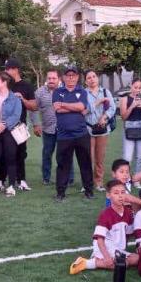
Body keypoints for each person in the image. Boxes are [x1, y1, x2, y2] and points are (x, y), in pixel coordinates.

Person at [69, 179, 139, 275]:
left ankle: (110, 260)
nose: (120, 196)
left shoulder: (128, 212)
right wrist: (106, 257)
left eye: (123, 192)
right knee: (120, 265)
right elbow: (99, 239)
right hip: (105, 246)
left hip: (117, 248)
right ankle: (86, 263)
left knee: (137, 259)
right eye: (116, 193)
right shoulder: (106, 214)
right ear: (108, 195)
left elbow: (129, 233)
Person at [53, 65, 94, 202]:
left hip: (81, 134)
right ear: (64, 77)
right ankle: (60, 193)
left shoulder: (82, 91)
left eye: (73, 75)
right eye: (68, 75)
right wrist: (74, 108)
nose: (71, 77)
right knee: (63, 165)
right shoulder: (57, 91)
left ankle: (89, 191)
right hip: (64, 136)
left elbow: (81, 107)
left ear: (77, 77)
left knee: (85, 163)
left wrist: (64, 105)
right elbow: (57, 109)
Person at [3, 58, 37, 192]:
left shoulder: (26, 86)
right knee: (6, 154)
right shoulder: (5, 85)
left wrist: (22, 99)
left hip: (20, 126)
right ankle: (3, 180)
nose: (6, 71)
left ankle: (21, 180)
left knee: (21, 153)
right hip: (5, 125)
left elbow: (34, 106)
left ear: (15, 69)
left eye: (8, 68)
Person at [83, 70, 115, 191]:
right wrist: (99, 101)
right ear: (86, 81)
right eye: (89, 78)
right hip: (88, 129)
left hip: (102, 129)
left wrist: (105, 116)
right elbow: (86, 109)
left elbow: (112, 108)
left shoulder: (106, 92)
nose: (92, 79)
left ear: (97, 78)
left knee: (100, 158)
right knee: (88, 157)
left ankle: (99, 182)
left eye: (94, 76)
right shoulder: (83, 93)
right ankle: (87, 182)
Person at [33, 69, 61, 185]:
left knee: (64, 155)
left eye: (54, 78)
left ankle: (68, 178)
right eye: (49, 78)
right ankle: (46, 178)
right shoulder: (39, 92)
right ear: (46, 79)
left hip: (63, 129)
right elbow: (33, 109)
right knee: (47, 154)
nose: (51, 80)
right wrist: (36, 123)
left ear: (58, 79)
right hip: (47, 129)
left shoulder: (64, 91)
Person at [120, 77, 141, 177]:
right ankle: (125, 178)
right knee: (127, 157)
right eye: (135, 87)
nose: (137, 89)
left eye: (139, 88)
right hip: (128, 129)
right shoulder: (124, 99)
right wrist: (132, 106)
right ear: (131, 86)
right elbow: (123, 117)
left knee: (139, 157)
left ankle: (137, 178)